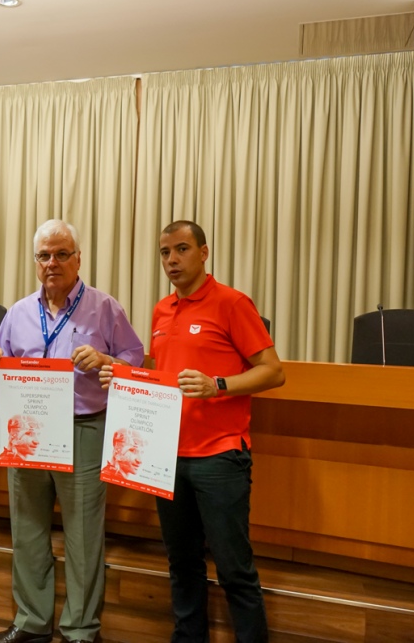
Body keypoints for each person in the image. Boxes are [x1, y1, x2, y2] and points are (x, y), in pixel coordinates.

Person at [104, 220, 284, 642]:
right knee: (182, 564)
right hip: (166, 456)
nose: (171, 260)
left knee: (233, 568)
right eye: (165, 252)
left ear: (204, 253)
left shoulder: (232, 303)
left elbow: (274, 372)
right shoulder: (162, 310)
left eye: (181, 249)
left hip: (220, 457)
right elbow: (162, 376)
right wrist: (125, 377)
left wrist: (217, 385)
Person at [0, 219, 145, 643]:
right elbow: (2, 364)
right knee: (29, 529)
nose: (52, 263)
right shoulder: (17, 312)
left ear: (77, 258)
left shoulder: (105, 307)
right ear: (36, 261)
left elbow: (136, 360)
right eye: (44, 255)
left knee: (83, 534)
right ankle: (32, 622)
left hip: (84, 427)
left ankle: (80, 630)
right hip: (29, 433)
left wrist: (108, 360)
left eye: (61, 254)